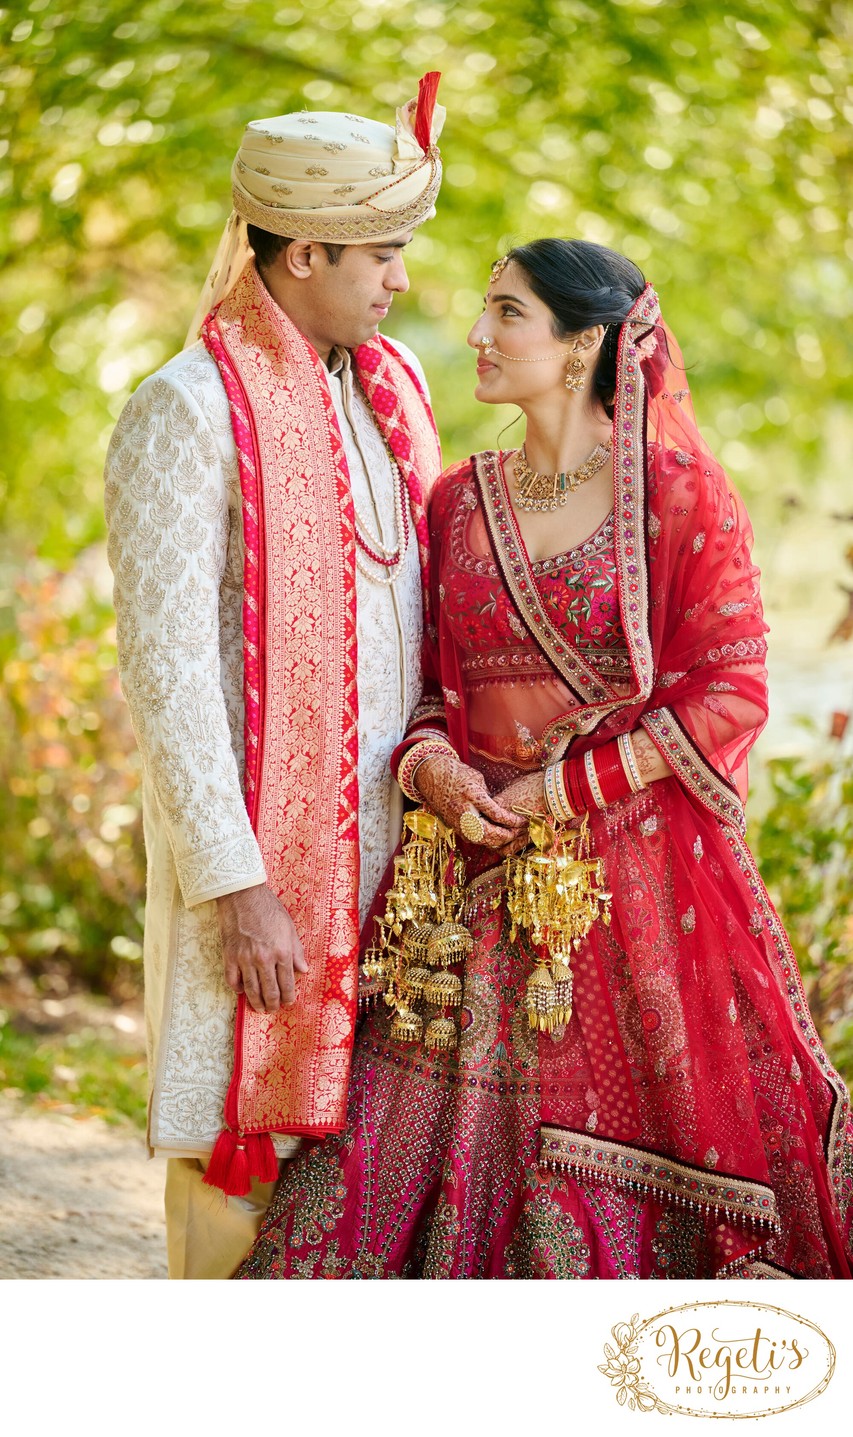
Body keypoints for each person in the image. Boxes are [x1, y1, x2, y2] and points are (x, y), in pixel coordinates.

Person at [236, 239, 853, 1279]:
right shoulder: (458, 501)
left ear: (584, 346)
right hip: (465, 891)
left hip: (637, 898)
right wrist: (434, 770)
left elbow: (731, 689)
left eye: (507, 313)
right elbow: (434, 690)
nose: (475, 334)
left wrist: (566, 786)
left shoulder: (678, 495)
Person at [104, 75, 445, 1279]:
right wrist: (237, 885)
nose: (400, 280)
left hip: (397, 864)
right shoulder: (184, 411)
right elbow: (166, 672)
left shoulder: (392, 395)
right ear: (302, 254)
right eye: (382, 254)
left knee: (381, 1169)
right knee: (238, 1172)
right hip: (258, 878)